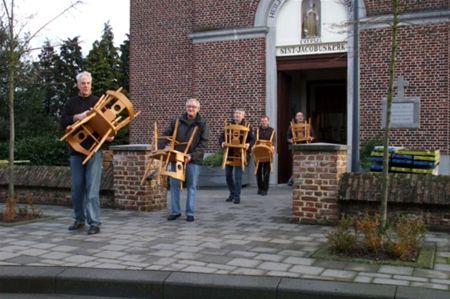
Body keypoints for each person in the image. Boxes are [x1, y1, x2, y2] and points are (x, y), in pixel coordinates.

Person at [61, 71, 106, 235]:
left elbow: (107, 124)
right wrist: (78, 117)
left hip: (94, 152)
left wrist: (111, 134)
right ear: (78, 85)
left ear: (91, 84)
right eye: (82, 83)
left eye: (88, 83)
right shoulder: (71, 103)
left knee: (92, 189)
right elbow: (62, 121)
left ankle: (94, 222)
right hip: (76, 151)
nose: (85, 86)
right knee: (77, 188)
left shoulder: (99, 102)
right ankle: (79, 219)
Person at [162, 98, 209, 222]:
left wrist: (192, 155)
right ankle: (175, 211)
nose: (191, 109)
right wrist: (162, 146)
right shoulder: (177, 121)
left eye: (193, 107)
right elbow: (166, 134)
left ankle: (190, 213)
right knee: (174, 185)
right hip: (177, 157)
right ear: (186, 107)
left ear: (198, 109)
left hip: (193, 159)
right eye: (189, 106)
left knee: (191, 186)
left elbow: (204, 143)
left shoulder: (202, 123)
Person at [220, 109, 254, 204]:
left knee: (238, 176)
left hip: (240, 153)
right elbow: (222, 137)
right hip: (229, 153)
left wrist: (248, 144)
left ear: (243, 116)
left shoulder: (247, 126)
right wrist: (222, 143)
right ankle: (232, 193)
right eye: (236, 113)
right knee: (228, 176)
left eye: (239, 114)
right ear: (234, 115)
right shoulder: (228, 125)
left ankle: (237, 196)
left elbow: (252, 139)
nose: (237, 115)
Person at [286, 112, 314, 186]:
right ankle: (294, 179)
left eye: (301, 116)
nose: (300, 117)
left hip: (306, 147)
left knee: (306, 163)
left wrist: (311, 138)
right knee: (296, 163)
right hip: (296, 147)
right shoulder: (291, 126)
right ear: (295, 117)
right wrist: (290, 140)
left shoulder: (308, 125)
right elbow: (287, 137)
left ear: (303, 117)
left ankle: (302, 180)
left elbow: (313, 136)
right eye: (298, 116)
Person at [255, 115, 276, 196]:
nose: (264, 122)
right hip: (258, 153)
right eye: (262, 121)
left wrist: (273, 147)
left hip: (267, 153)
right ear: (261, 122)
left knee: (266, 172)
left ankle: (265, 189)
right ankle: (260, 188)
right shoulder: (257, 130)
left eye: (265, 121)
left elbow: (273, 141)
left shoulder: (272, 130)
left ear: (268, 121)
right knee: (258, 172)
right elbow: (254, 140)